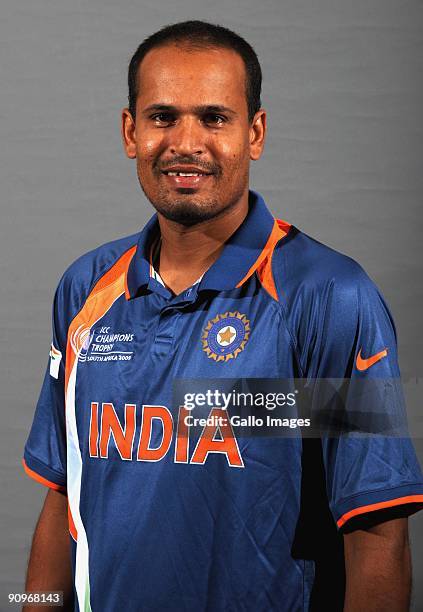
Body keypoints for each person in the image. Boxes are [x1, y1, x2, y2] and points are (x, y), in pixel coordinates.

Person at [22, 20, 423, 612]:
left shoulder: (331, 297)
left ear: (254, 133)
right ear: (130, 131)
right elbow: (64, 501)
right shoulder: (86, 288)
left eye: (214, 117)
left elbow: (378, 535)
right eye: (162, 117)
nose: (186, 142)